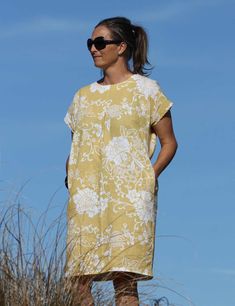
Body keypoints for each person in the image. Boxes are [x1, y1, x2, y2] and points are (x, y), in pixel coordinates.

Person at [64, 16, 178, 306]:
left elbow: (169, 142)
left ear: (122, 46)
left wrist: (149, 177)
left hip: (130, 197)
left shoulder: (148, 91)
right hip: (86, 197)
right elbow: (77, 145)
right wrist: (71, 176)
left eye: (100, 42)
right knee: (78, 279)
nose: (93, 48)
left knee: (125, 282)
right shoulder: (82, 97)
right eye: (90, 43)